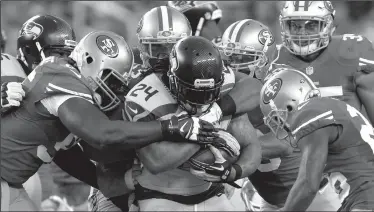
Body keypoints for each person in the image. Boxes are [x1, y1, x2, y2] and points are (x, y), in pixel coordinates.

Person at [0, 30, 215, 211]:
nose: (114, 90)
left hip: (11, 184)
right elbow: (103, 135)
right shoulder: (64, 80)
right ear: (89, 61)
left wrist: (119, 187)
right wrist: (170, 127)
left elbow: (66, 155)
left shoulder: (64, 77)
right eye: (111, 80)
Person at [125, 35, 261, 211]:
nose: (201, 101)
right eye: (193, 93)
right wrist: (205, 134)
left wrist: (234, 172)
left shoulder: (225, 83)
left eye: (208, 93)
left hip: (212, 194)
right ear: (172, 79)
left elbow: (252, 144)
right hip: (159, 196)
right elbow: (155, 161)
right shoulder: (144, 97)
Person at [260, 67, 374, 211]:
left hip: (366, 198)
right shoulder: (332, 106)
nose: (280, 125)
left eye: (276, 118)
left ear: (289, 105)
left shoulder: (308, 114)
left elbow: (308, 184)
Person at [271, 1, 374, 124]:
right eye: (295, 26)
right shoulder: (274, 58)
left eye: (311, 26)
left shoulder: (351, 52)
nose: (302, 33)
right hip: (290, 141)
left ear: (327, 25)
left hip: (344, 140)